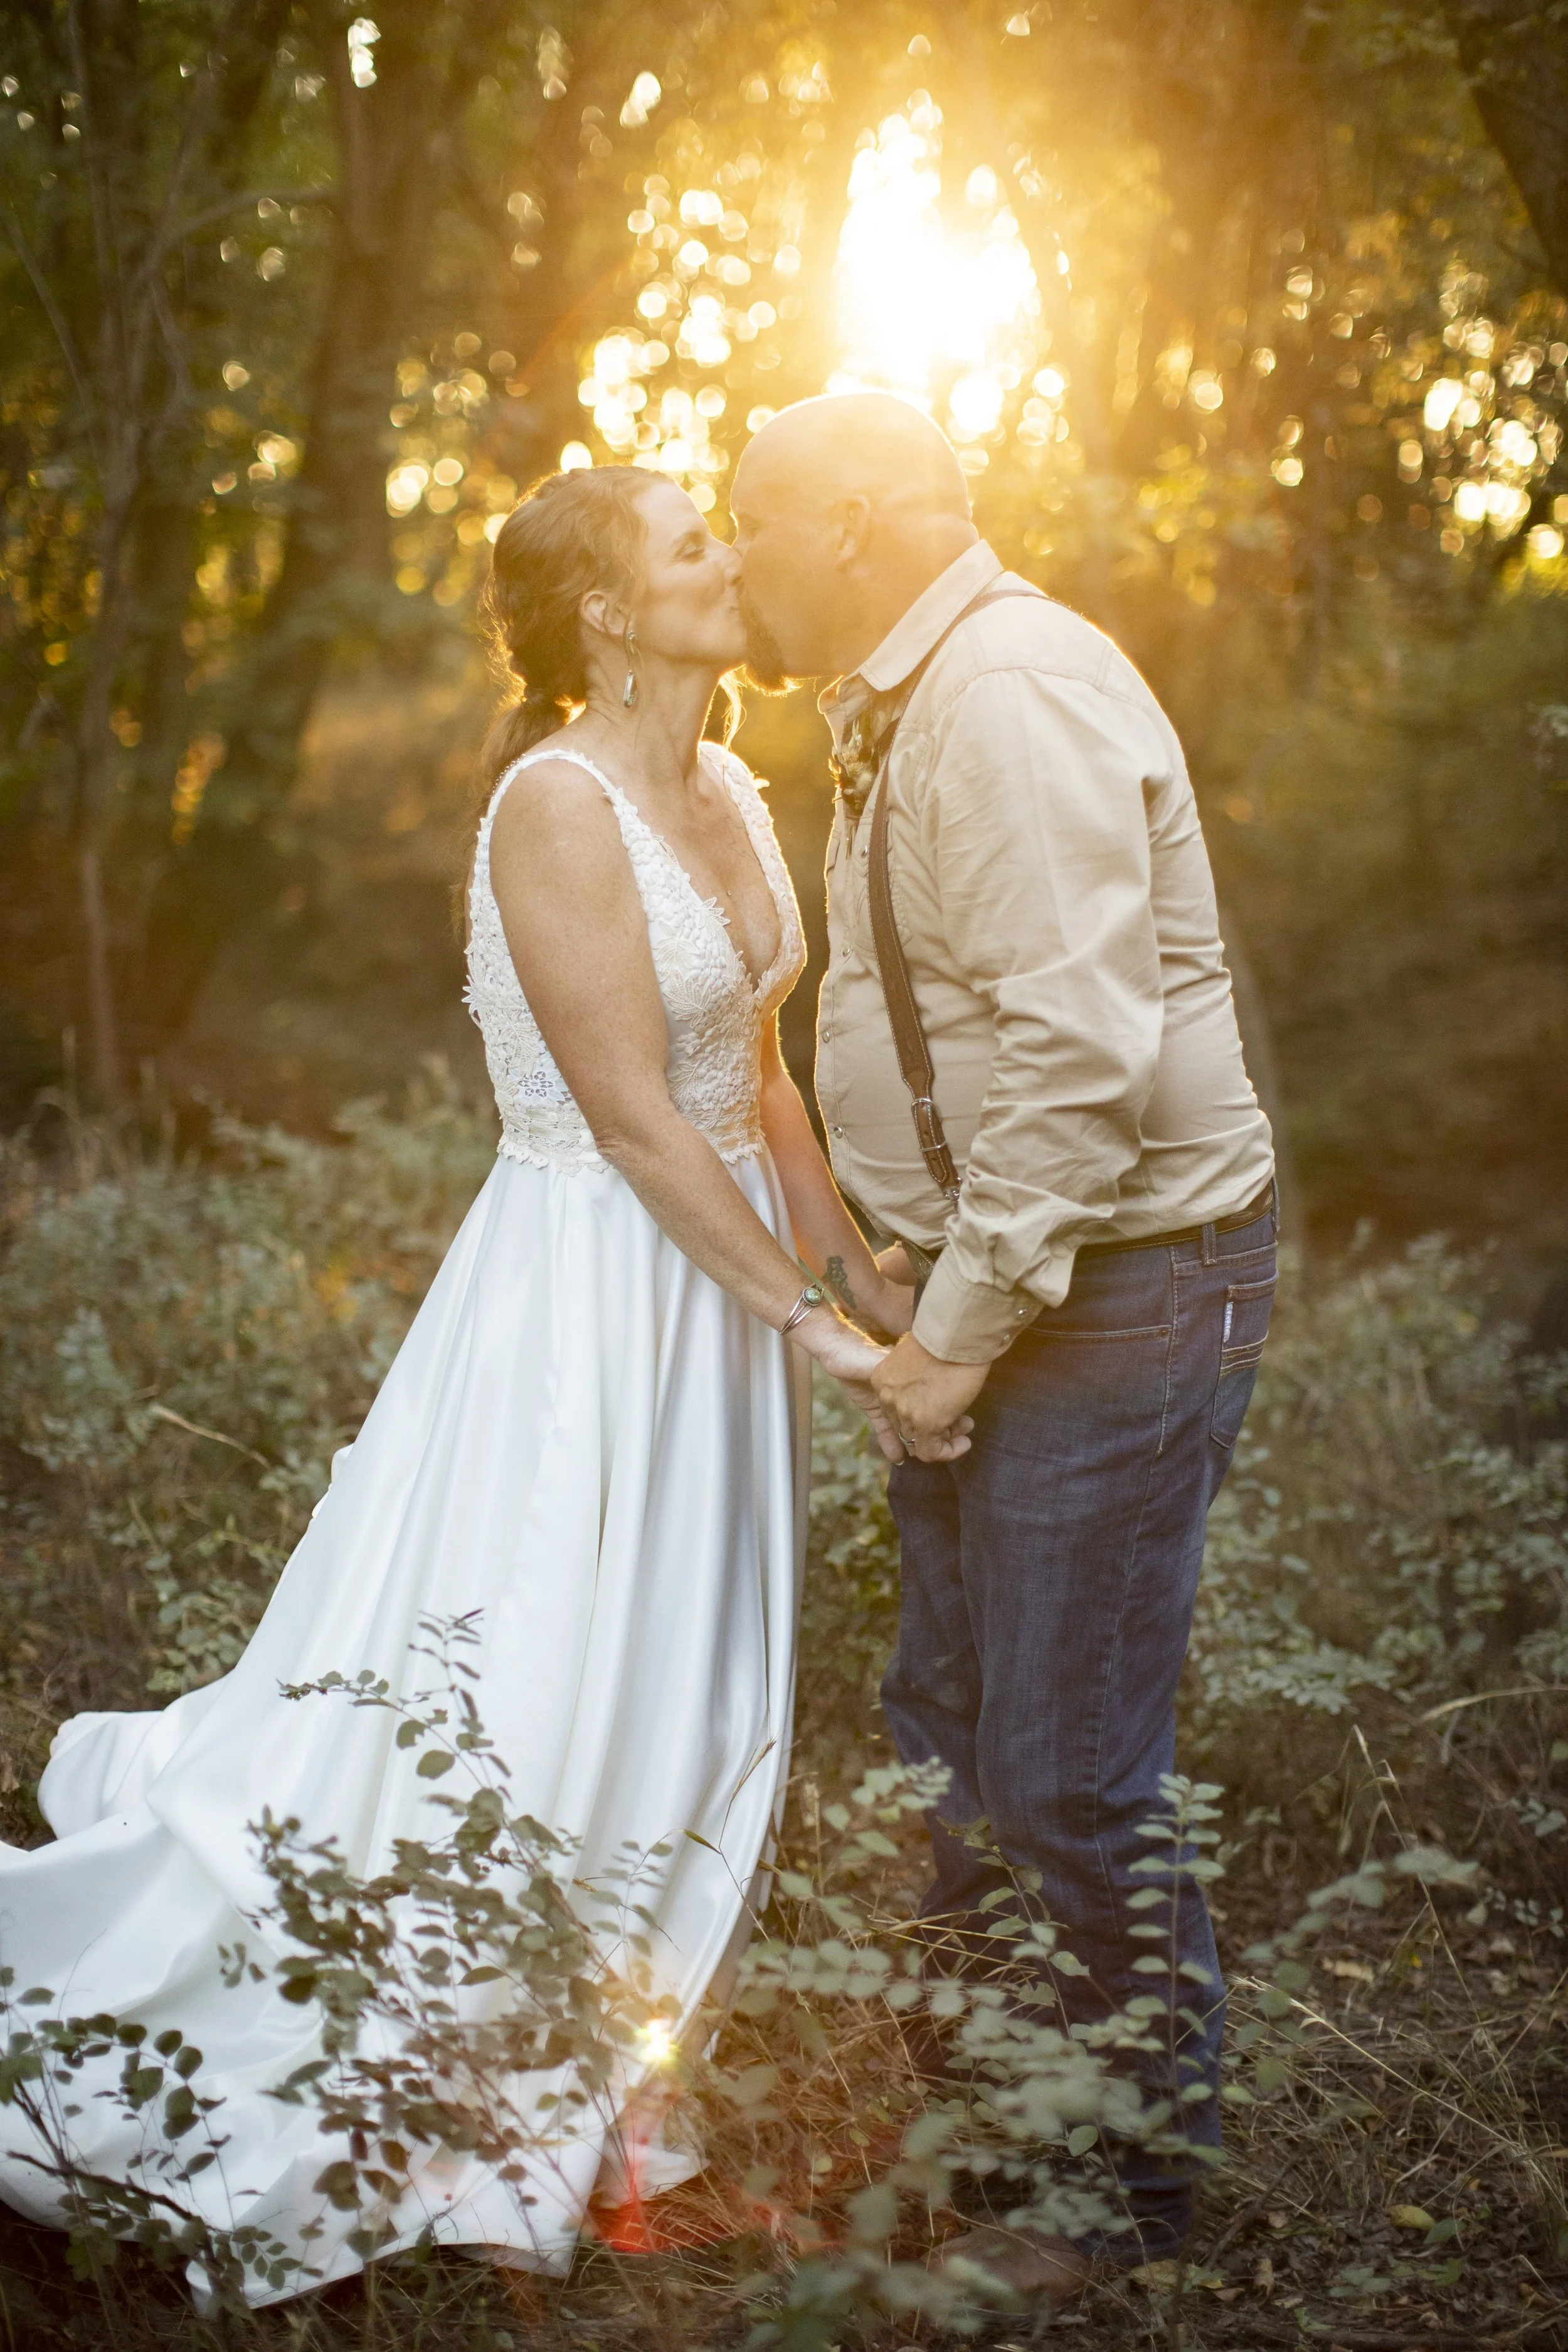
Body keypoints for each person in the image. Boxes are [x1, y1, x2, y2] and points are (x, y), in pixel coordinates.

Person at [0, 465, 943, 2304]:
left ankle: (633, 2101)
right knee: (543, 1672)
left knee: (694, 1666)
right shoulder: (553, 803)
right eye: (690, 544)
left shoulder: (731, 781)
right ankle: (491, 2083)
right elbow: (632, 1122)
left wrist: (857, 1267)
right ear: (601, 607)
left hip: (721, 1289)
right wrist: (823, 1337)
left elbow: (753, 1088)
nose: (729, 559)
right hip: (595, 1292)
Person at [731, 392, 1278, 2294]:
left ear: (859, 518)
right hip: (1003, 1275)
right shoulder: (903, 696)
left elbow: (1077, 1061)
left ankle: (1119, 2203)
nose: (731, 562)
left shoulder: (1011, 688)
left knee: (1061, 1767)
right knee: (948, 1739)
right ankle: (977, 2131)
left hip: (1117, 1289)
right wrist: (908, 1264)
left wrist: (951, 1333)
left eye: (755, 524)